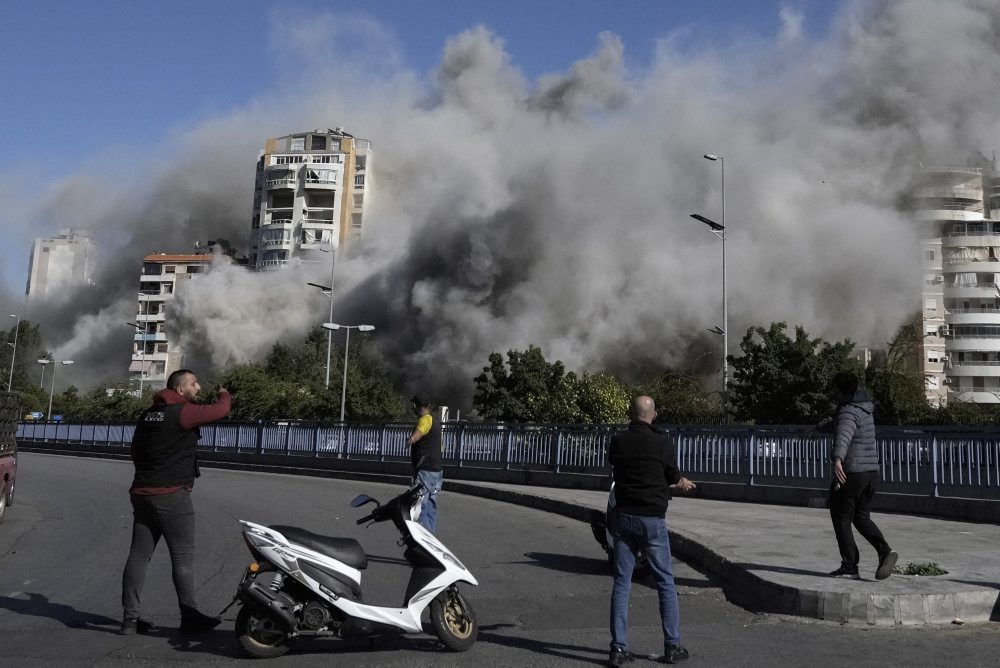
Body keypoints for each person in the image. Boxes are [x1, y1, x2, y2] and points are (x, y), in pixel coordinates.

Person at [119, 369, 231, 635]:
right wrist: (225, 393)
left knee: (138, 556)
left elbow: (135, 450)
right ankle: (189, 616)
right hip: (171, 495)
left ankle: (129, 620)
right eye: (194, 383)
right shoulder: (183, 412)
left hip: (142, 493)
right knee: (182, 557)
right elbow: (221, 410)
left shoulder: (147, 415)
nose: (199, 387)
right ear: (180, 390)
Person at [607, 396, 696, 666]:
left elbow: (621, 470)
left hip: (624, 517)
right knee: (665, 583)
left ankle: (618, 648)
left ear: (630, 414)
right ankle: (672, 645)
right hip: (652, 520)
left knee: (622, 583)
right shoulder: (662, 442)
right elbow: (670, 476)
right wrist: (680, 484)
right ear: (653, 415)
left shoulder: (618, 440)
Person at [828, 370, 897, 581]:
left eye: (834, 389)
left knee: (841, 516)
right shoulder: (865, 409)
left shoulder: (848, 411)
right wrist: (817, 429)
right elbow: (840, 425)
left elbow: (844, 434)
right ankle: (884, 551)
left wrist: (837, 459)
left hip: (854, 472)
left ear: (841, 390)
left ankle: (850, 566)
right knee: (861, 516)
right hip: (871, 473)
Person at [406, 396, 443, 533]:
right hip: (437, 470)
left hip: (425, 469)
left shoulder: (425, 419)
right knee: (431, 503)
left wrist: (411, 439)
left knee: (420, 504)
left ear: (417, 406)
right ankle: (431, 536)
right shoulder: (436, 422)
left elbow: (420, 431)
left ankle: (425, 538)